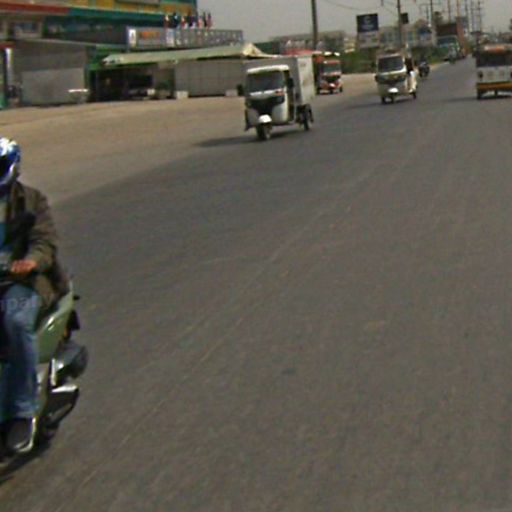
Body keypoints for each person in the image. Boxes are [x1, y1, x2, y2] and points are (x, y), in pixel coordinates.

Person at [0, 137, 67, 454]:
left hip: (24, 281)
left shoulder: (32, 200)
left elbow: (44, 242)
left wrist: (30, 262)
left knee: (15, 322)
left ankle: (22, 412)